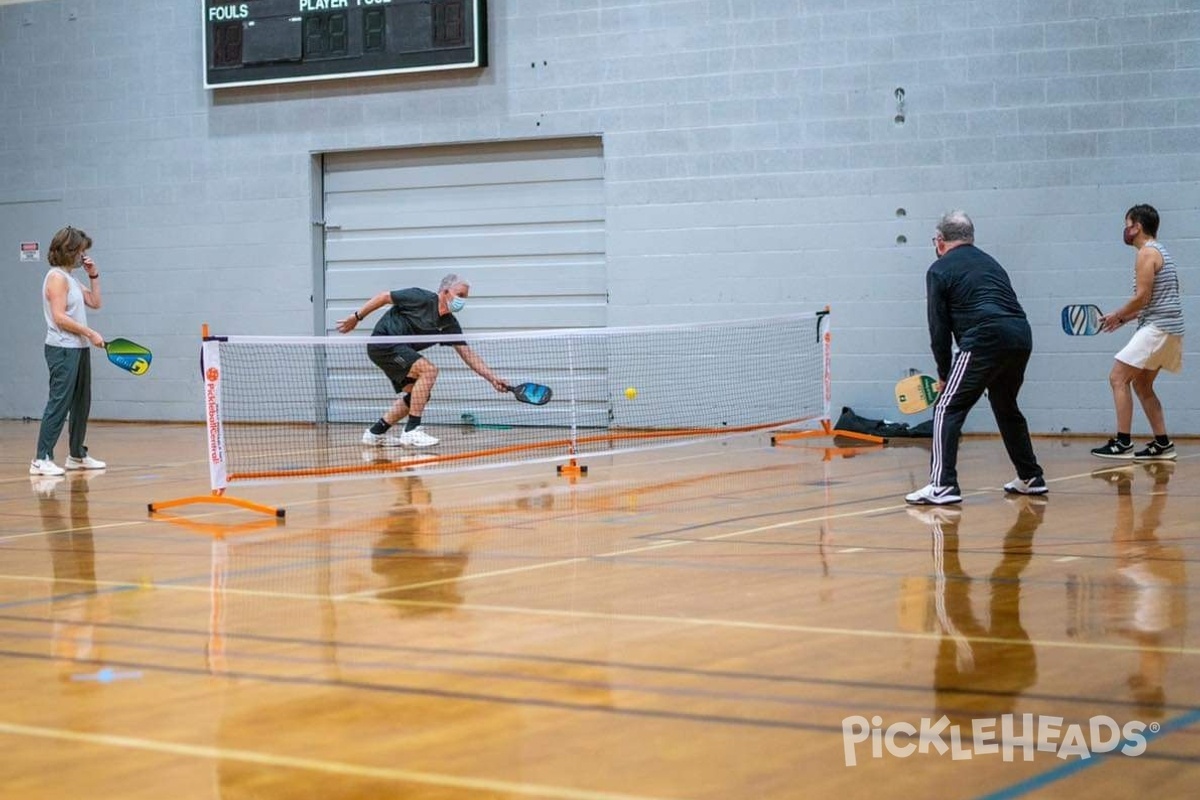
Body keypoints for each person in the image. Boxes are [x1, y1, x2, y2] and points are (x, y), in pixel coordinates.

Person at [907, 211, 1046, 505]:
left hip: (984, 338)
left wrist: (945, 373)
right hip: (1020, 336)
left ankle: (942, 485)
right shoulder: (992, 263)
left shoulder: (939, 268)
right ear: (971, 238)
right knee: (1005, 405)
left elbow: (939, 328)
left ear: (939, 241)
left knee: (946, 407)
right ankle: (1030, 476)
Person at [336, 273, 508, 447]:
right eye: (460, 295)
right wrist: (357, 317)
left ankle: (375, 433)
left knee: (418, 394)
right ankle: (411, 430)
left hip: (400, 352)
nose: (462, 301)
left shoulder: (449, 324)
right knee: (429, 370)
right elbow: (384, 297)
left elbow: (467, 354)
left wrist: (492, 378)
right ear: (445, 291)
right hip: (385, 343)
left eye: (465, 297)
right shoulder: (421, 297)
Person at [1091, 204, 1184, 462]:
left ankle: (1122, 442)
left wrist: (1118, 314)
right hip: (1171, 329)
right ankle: (1163, 444)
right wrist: (1126, 319)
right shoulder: (1161, 251)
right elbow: (1153, 301)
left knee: (1117, 378)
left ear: (1137, 227)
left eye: (1127, 224)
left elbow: (1142, 297)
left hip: (1159, 328)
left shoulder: (1146, 253)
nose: (1125, 230)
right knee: (1143, 384)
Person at [31, 226, 107, 477]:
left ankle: (76, 455)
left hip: (79, 349)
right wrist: (89, 333)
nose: (83, 256)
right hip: (62, 349)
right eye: (81, 251)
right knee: (59, 403)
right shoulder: (56, 278)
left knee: (81, 403)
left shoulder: (72, 278)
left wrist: (94, 276)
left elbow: (95, 303)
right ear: (70, 250)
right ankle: (41, 458)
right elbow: (59, 317)